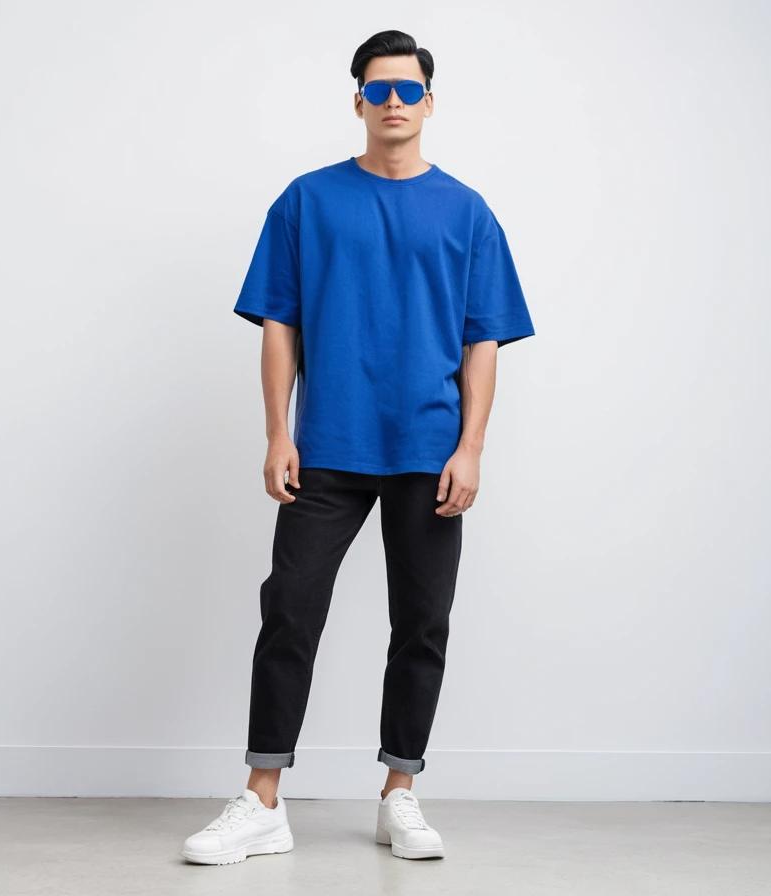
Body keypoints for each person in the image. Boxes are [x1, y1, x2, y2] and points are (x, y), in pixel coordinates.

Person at [182, 29, 535, 865]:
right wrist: (278, 432)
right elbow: (279, 322)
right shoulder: (307, 201)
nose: (394, 103)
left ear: (430, 103)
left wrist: (472, 447)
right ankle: (262, 799)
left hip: (429, 451)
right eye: (379, 90)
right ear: (357, 102)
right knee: (289, 612)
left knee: (422, 624)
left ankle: (399, 792)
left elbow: (483, 339)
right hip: (328, 447)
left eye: (408, 90)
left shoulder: (467, 212)